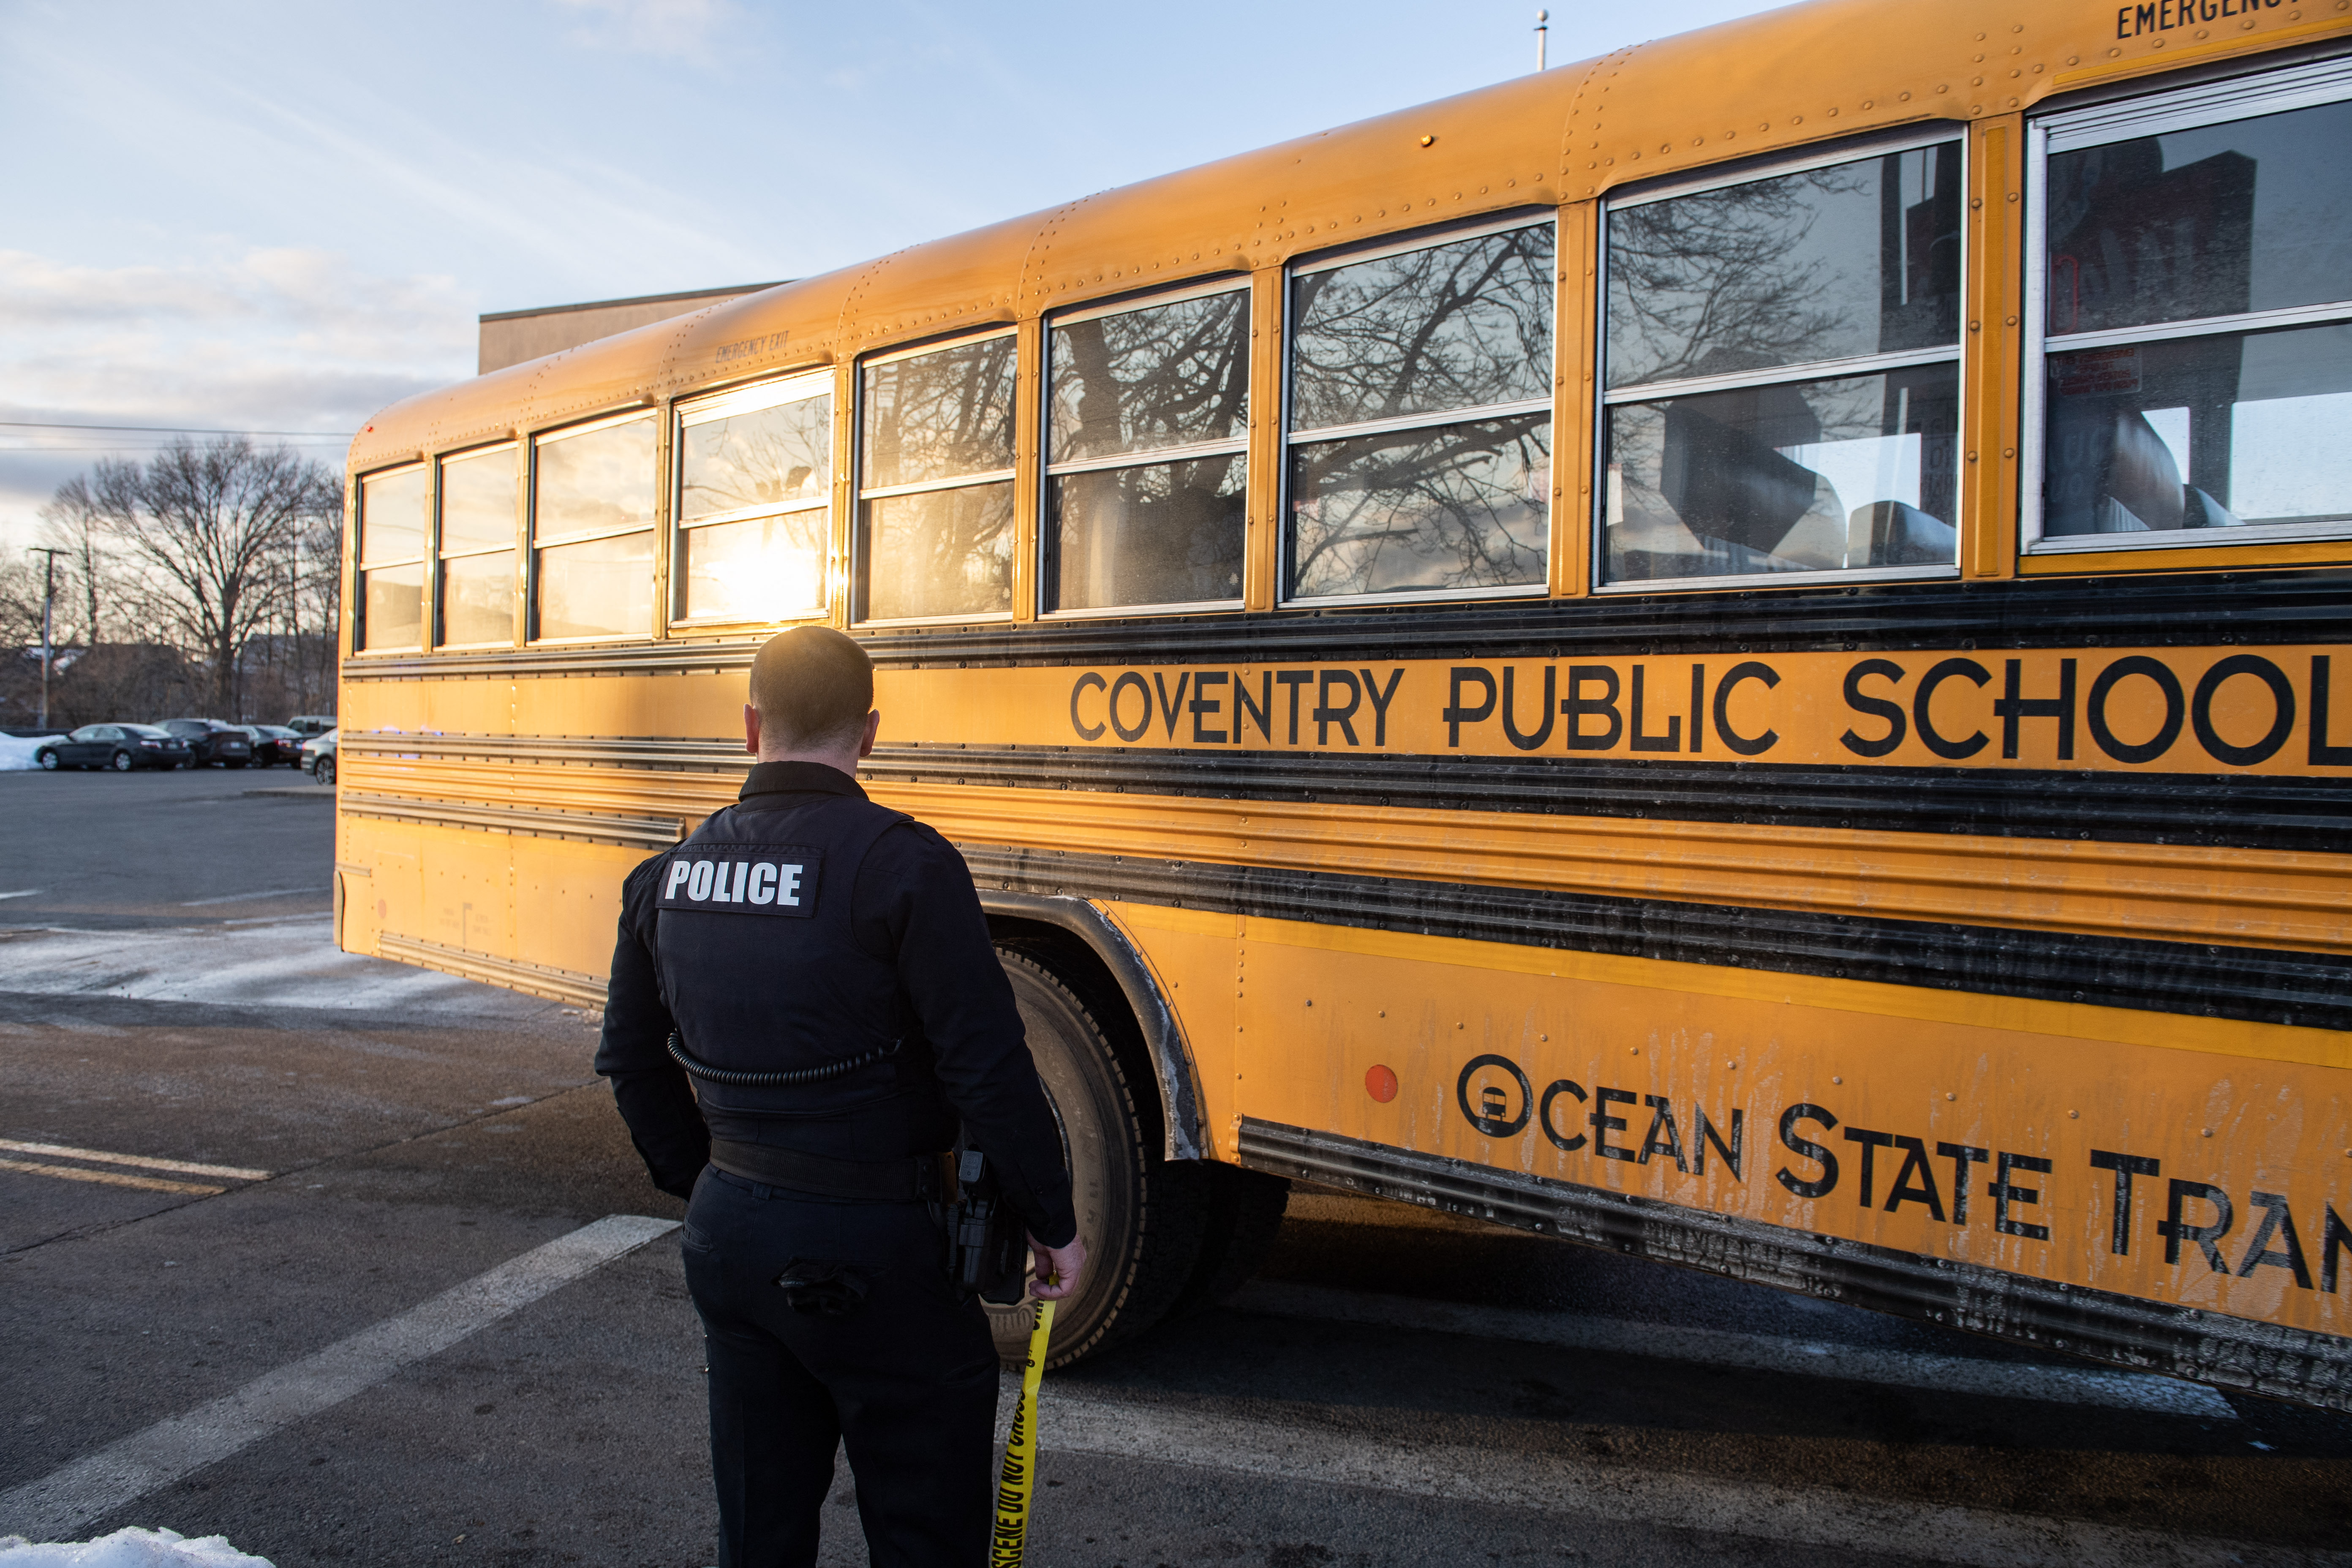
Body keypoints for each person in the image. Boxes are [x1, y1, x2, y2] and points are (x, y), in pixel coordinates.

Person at [595, 624, 1085, 1568]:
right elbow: (987, 1066)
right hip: (884, 1247)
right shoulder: (905, 864)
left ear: (750, 725)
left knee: (761, 1529)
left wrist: (709, 1184)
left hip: (732, 1235)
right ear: (868, 732)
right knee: (924, 1530)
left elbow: (629, 1059)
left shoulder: (665, 875)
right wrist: (1052, 1220)